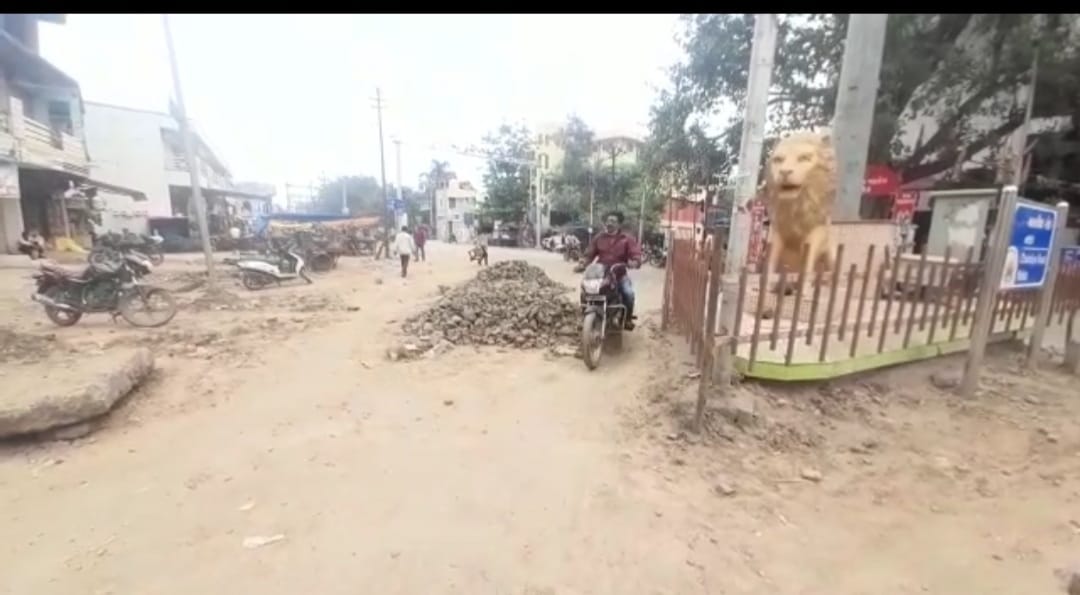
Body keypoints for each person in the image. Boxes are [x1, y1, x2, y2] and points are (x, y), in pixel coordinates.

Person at [578, 212, 641, 330]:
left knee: (629, 293)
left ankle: (627, 320)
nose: (609, 223)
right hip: (602, 274)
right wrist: (583, 263)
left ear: (619, 224)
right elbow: (589, 254)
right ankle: (584, 316)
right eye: (608, 221)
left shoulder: (626, 239)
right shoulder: (599, 237)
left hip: (619, 275)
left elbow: (635, 254)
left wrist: (635, 262)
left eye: (613, 221)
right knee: (585, 290)